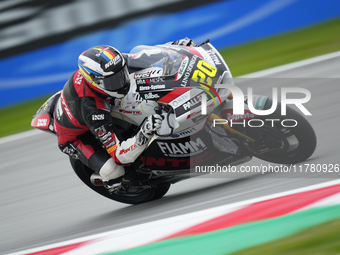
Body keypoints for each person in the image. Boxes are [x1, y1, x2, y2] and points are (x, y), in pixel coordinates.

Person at [53, 38, 196, 189]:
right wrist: (144, 132)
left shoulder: (111, 66)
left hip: (105, 102)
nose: (122, 82)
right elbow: (119, 155)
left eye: (121, 75)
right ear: (97, 82)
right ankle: (118, 179)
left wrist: (175, 47)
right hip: (76, 137)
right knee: (113, 172)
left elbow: (145, 57)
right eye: (114, 81)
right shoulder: (92, 109)